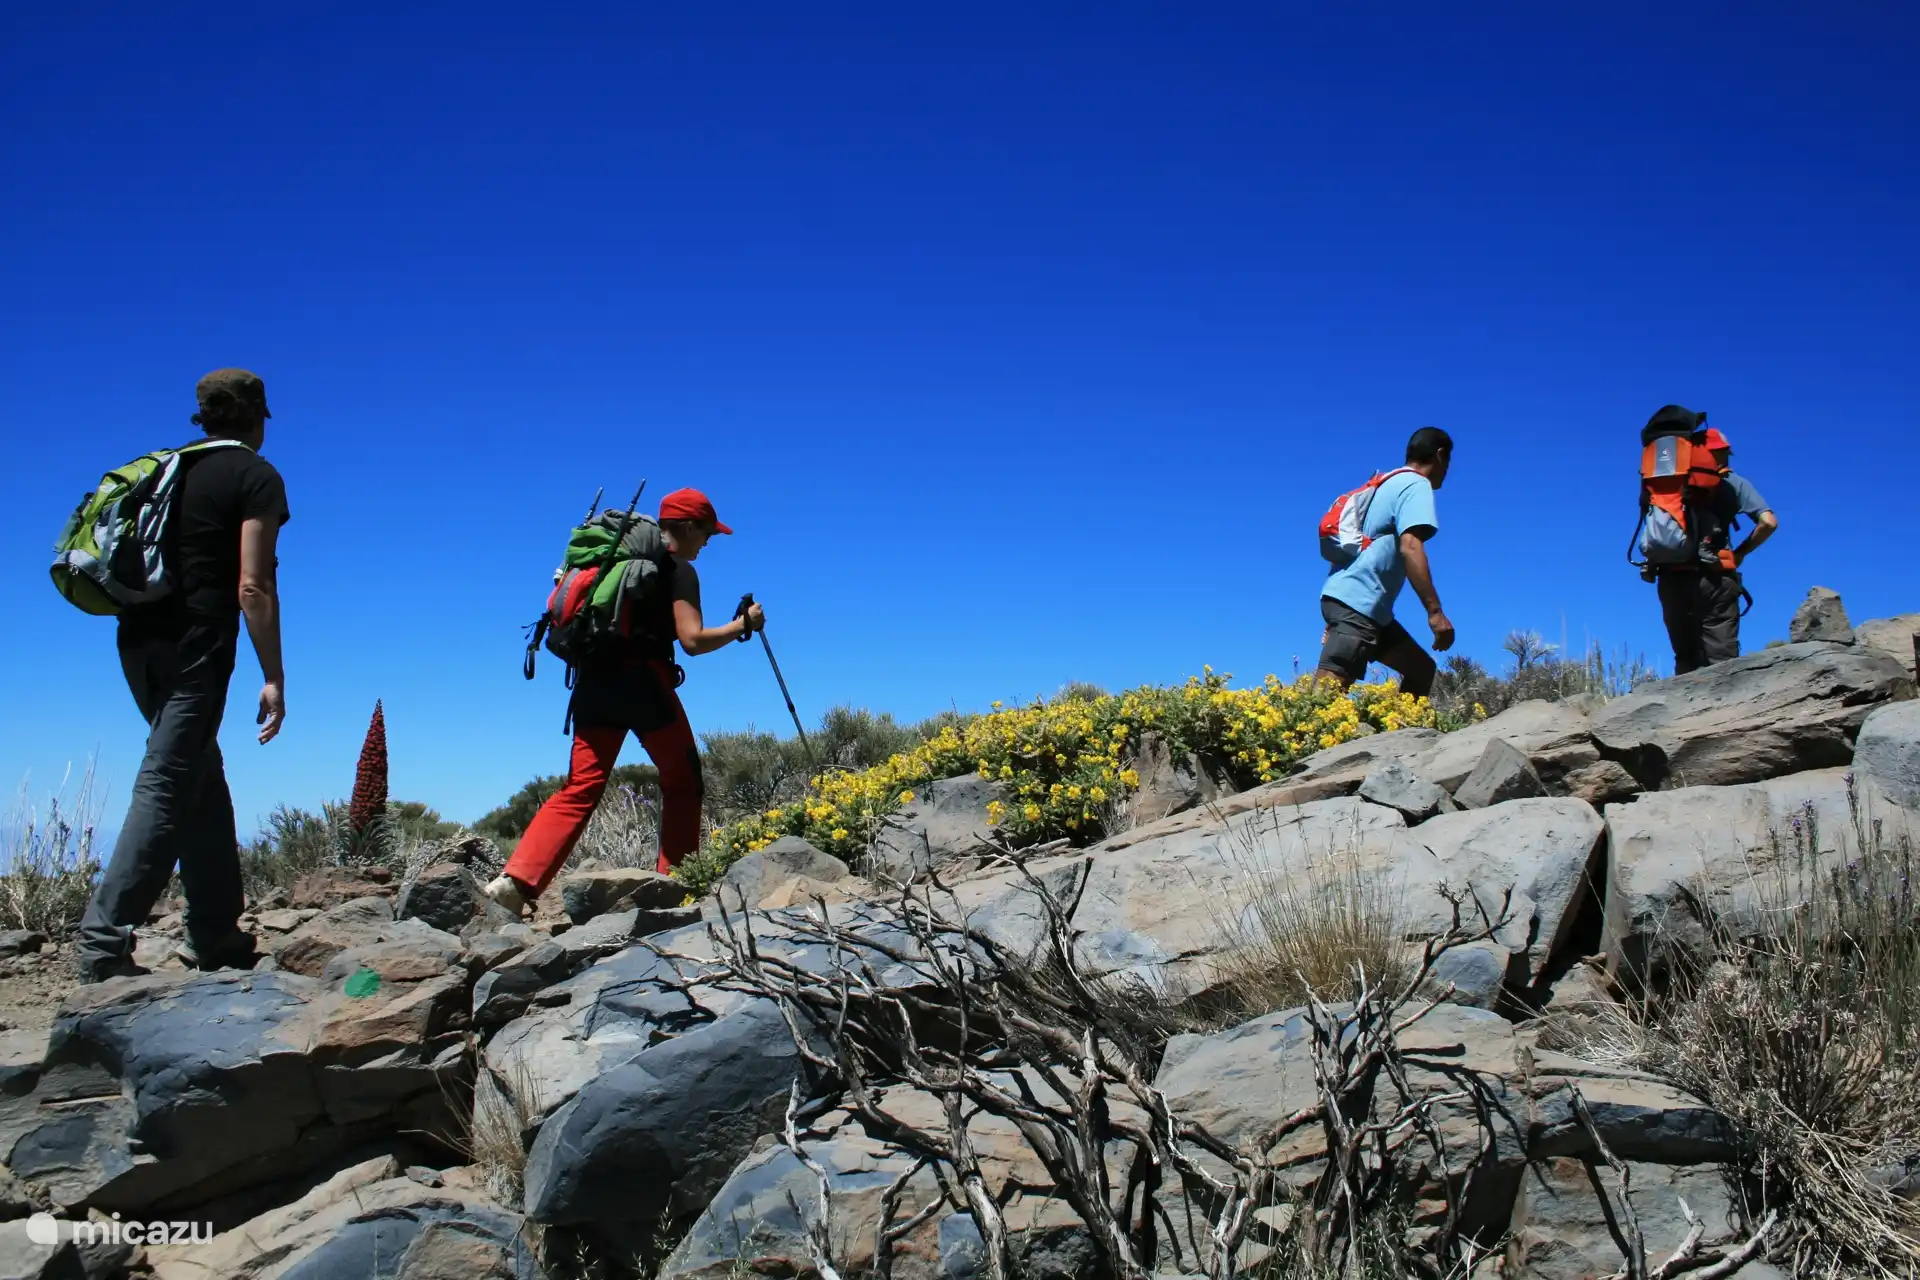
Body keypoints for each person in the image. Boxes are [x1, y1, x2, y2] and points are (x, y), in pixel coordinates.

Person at [77, 369, 289, 982]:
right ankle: (102, 945)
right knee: (169, 779)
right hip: (198, 643)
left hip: (137, 639)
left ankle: (216, 931)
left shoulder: (171, 468)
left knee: (199, 771)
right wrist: (273, 675)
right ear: (257, 416)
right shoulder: (254, 476)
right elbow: (253, 584)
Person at [485, 487, 764, 915]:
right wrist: (741, 625)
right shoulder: (677, 569)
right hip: (645, 686)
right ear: (687, 527)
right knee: (683, 780)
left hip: (593, 683)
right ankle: (679, 883)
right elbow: (692, 641)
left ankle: (516, 882)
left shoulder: (606, 562)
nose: (708, 542)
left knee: (581, 787)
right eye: (707, 533)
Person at [1314, 427, 1455, 698]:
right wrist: (1435, 613)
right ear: (1440, 455)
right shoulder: (1416, 484)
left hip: (1362, 607)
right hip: (1358, 606)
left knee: (1421, 670)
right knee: (1324, 700)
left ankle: (1405, 736)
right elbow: (1411, 546)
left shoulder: (1387, 483)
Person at [1650, 424, 1777, 673]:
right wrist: (1740, 553)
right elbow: (1769, 523)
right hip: (1716, 577)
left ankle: (1687, 710)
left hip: (1671, 577)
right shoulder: (1733, 482)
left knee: (1685, 657)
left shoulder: (1667, 484)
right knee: (1722, 661)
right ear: (1718, 453)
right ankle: (1725, 709)